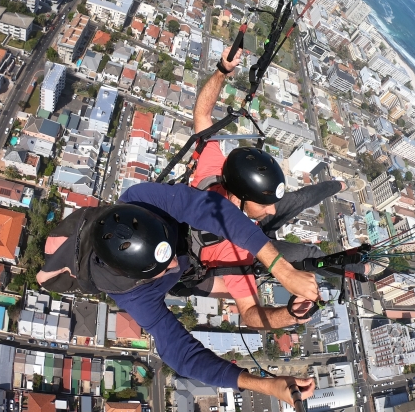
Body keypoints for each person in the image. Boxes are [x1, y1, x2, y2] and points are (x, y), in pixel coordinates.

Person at [37, 182, 315, 405]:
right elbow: (180, 353)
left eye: (168, 253)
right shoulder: (134, 295)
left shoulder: (140, 199)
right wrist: (264, 384)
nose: (173, 265)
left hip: (187, 235)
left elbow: (210, 208)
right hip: (194, 269)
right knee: (217, 282)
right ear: (139, 276)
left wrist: (282, 269)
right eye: (162, 266)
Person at [178, 46, 372, 329]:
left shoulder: (213, 175)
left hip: (242, 222)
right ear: (240, 197)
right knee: (309, 255)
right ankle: (358, 268)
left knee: (297, 200)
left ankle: (337, 185)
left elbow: (202, 116)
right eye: (264, 202)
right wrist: (289, 314)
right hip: (234, 245)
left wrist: (223, 70)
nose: (270, 209)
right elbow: (250, 314)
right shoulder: (234, 255)